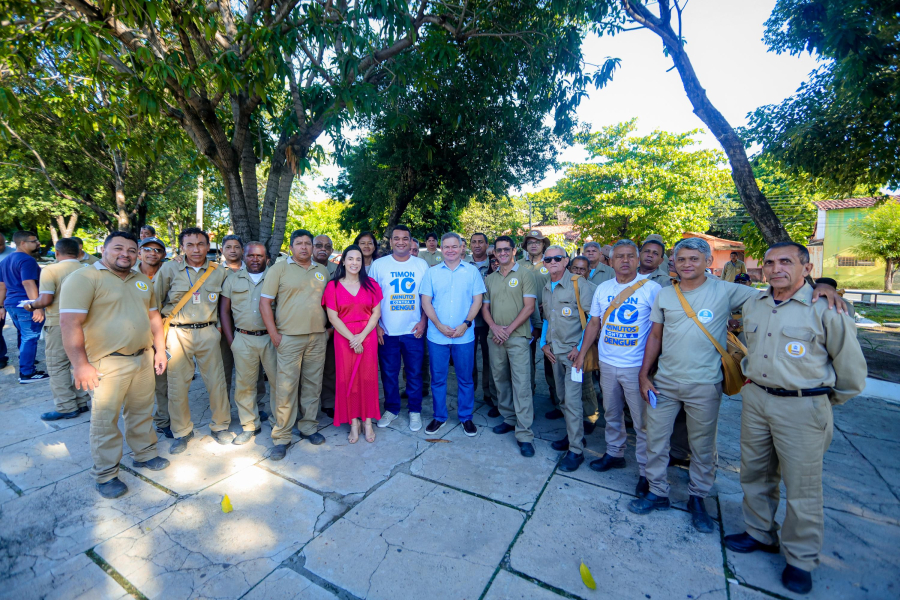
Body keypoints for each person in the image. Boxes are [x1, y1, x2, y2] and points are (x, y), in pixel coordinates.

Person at [630, 238, 847, 536]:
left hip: (705, 384)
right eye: (681, 260)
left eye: (694, 258)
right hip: (664, 382)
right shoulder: (666, 295)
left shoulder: (727, 290)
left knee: (702, 446)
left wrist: (823, 286)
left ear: (708, 262)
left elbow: (777, 292)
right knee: (655, 439)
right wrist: (644, 374)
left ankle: (698, 497)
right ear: (674, 263)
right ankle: (657, 491)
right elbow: (655, 337)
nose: (687, 264)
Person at [722, 242, 865, 594]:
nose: (775, 268)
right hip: (757, 398)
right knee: (754, 471)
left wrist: (817, 401)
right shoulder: (755, 304)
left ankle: (800, 558)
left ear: (807, 267)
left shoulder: (827, 309)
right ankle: (758, 532)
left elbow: (850, 374)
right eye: (769, 262)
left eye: (786, 261)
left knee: (802, 486)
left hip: (803, 406)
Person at [59, 231, 169, 499]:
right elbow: (69, 324)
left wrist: (160, 350)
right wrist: (80, 365)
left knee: (142, 411)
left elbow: (154, 317)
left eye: (132, 250)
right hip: (105, 363)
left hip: (142, 358)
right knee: (105, 420)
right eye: (118, 248)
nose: (126, 254)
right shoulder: (84, 277)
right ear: (104, 250)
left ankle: (144, 454)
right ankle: (106, 474)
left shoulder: (141, 280)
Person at [577, 240, 661, 495]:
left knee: (643, 423)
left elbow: (658, 333)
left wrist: (647, 370)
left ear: (637, 260)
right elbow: (594, 324)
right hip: (608, 363)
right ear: (609, 261)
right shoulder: (603, 288)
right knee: (611, 413)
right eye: (619, 257)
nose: (624, 261)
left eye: (630, 256)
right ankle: (615, 453)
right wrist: (582, 355)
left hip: (636, 367)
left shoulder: (653, 289)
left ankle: (648, 473)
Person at [155, 227, 232, 452]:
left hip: (208, 332)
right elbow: (155, 303)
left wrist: (217, 327)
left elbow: (225, 303)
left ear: (208, 247)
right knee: (177, 384)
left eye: (200, 244)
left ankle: (220, 426)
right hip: (177, 333)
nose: (196, 249)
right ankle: (181, 431)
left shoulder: (220, 271)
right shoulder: (169, 269)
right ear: (182, 247)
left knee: (216, 382)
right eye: (190, 245)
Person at [261, 229, 330, 459]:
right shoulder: (279, 269)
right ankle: (282, 436)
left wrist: (327, 331)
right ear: (291, 247)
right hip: (288, 338)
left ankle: (308, 426)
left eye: (307, 244)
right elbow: (265, 304)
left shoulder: (321, 270)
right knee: (286, 388)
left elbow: (330, 305)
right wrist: (274, 334)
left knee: (312, 385)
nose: (304, 247)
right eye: (299, 243)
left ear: (313, 247)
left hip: (317, 337)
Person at [420, 232, 485, 436]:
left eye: (454, 246)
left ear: (461, 248)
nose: (450, 250)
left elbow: (477, 300)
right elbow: (426, 301)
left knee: (465, 379)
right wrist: (438, 325)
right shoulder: (432, 273)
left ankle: (466, 417)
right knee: (438, 379)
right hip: (437, 336)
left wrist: (466, 324)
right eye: (446, 246)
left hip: (464, 335)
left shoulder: (472, 272)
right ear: (441, 248)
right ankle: (439, 417)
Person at [540, 245, 595, 472]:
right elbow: (546, 319)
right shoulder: (546, 287)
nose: (552, 262)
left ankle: (576, 450)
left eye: (557, 258)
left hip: (573, 355)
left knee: (572, 402)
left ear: (566, 261)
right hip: (555, 353)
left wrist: (580, 349)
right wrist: (543, 344)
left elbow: (593, 318)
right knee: (562, 398)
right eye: (548, 259)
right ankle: (574, 436)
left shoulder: (578, 283)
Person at [369, 225, 429, 432]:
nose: (401, 242)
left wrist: (423, 321)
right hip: (387, 331)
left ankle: (414, 411)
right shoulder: (378, 265)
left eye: (405, 238)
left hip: (414, 330)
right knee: (388, 373)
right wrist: (376, 325)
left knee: (414, 373)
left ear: (411, 241)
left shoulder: (421, 265)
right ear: (391, 241)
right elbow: (371, 298)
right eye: (397, 238)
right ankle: (392, 409)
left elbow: (426, 298)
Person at [482, 235, 537, 456]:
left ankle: (524, 434)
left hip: (517, 337)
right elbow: (484, 308)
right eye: (499, 250)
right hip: (495, 337)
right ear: (494, 253)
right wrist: (495, 328)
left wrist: (507, 330)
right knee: (500, 380)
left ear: (514, 251)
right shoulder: (490, 279)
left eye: (507, 249)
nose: (502, 253)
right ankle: (509, 418)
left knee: (521, 384)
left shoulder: (526, 274)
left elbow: (529, 308)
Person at [323, 245, 383, 443]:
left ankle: (367, 422)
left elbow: (376, 314)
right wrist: (352, 338)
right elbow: (333, 317)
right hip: (344, 337)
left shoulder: (372, 284)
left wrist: (361, 336)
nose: (354, 263)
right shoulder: (333, 286)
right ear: (343, 261)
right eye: (350, 259)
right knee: (347, 379)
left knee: (367, 379)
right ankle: (354, 423)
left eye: (358, 259)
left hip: (368, 336)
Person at [24, 238, 89, 419]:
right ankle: (82, 401)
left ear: (57, 252)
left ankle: (66, 407)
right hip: (86, 323)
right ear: (78, 252)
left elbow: (45, 300)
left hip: (59, 323)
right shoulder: (88, 269)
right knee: (80, 361)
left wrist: (31, 305)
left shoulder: (51, 270)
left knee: (57, 365)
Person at [220, 242, 278, 445]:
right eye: (251, 255)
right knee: (244, 385)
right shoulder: (232, 280)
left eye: (259, 256)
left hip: (271, 338)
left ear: (267, 258)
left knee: (278, 383)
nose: (255, 259)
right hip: (243, 338)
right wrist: (231, 340)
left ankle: (279, 423)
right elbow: (224, 312)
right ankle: (249, 425)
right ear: (244, 257)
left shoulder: (275, 277)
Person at [133, 237, 174, 438]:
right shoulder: (127, 274)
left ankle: (163, 420)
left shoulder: (171, 272)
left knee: (162, 382)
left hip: (162, 334)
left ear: (163, 255)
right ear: (139, 252)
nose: (152, 253)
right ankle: (138, 426)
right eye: (147, 249)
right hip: (133, 336)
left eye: (158, 250)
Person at [518, 230, 560, 419]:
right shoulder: (518, 265)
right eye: (530, 242)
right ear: (525, 246)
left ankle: (558, 401)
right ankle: (528, 399)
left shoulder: (552, 263)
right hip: (525, 319)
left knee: (552, 359)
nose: (534, 245)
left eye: (538, 242)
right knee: (526, 361)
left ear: (544, 245)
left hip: (549, 319)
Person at [0, 231, 49, 383]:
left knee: (24, 334)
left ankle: (26, 362)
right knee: (30, 336)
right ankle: (27, 373)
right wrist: (37, 306)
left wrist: (1, 305)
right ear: (22, 243)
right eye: (34, 241)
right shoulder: (27, 260)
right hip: (26, 304)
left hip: (11, 304)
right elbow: (28, 283)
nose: (38, 243)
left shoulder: (5, 261)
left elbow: (2, 286)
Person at [568, 255, 600, 434]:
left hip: (584, 343)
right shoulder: (565, 287)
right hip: (566, 342)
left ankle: (590, 416)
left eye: (582, 269)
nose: (579, 272)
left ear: (589, 271)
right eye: (575, 268)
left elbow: (593, 321)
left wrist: (581, 346)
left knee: (585, 383)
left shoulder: (594, 290)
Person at [467, 232, 498, 414]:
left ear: (487, 245)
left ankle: (489, 393)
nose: (477, 245)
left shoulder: (494, 263)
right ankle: (470, 391)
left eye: (481, 242)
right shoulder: (464, 265)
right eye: (474, 242)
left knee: (490, 359)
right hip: (469, 320)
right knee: (469, 360)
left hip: (489, 319)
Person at [314, 235, 338, 417]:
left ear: (331, 250)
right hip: (307, 325)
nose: (323, 249)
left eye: (327, 246)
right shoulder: (302, 267)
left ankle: (328, 402)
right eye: (319, 245)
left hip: (331, 325)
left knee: (330, 366)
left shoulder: (337, 270)